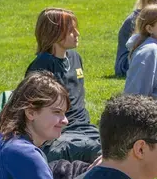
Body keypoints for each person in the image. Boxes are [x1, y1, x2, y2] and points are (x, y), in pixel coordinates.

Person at [25, 8, 101, 163]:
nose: (77, 33)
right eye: (71, 30)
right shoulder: (42, 67)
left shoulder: (75, 57)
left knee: (118, 144)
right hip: (61, 133)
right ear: (55, 33)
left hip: (85, 127)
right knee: (100, 151)